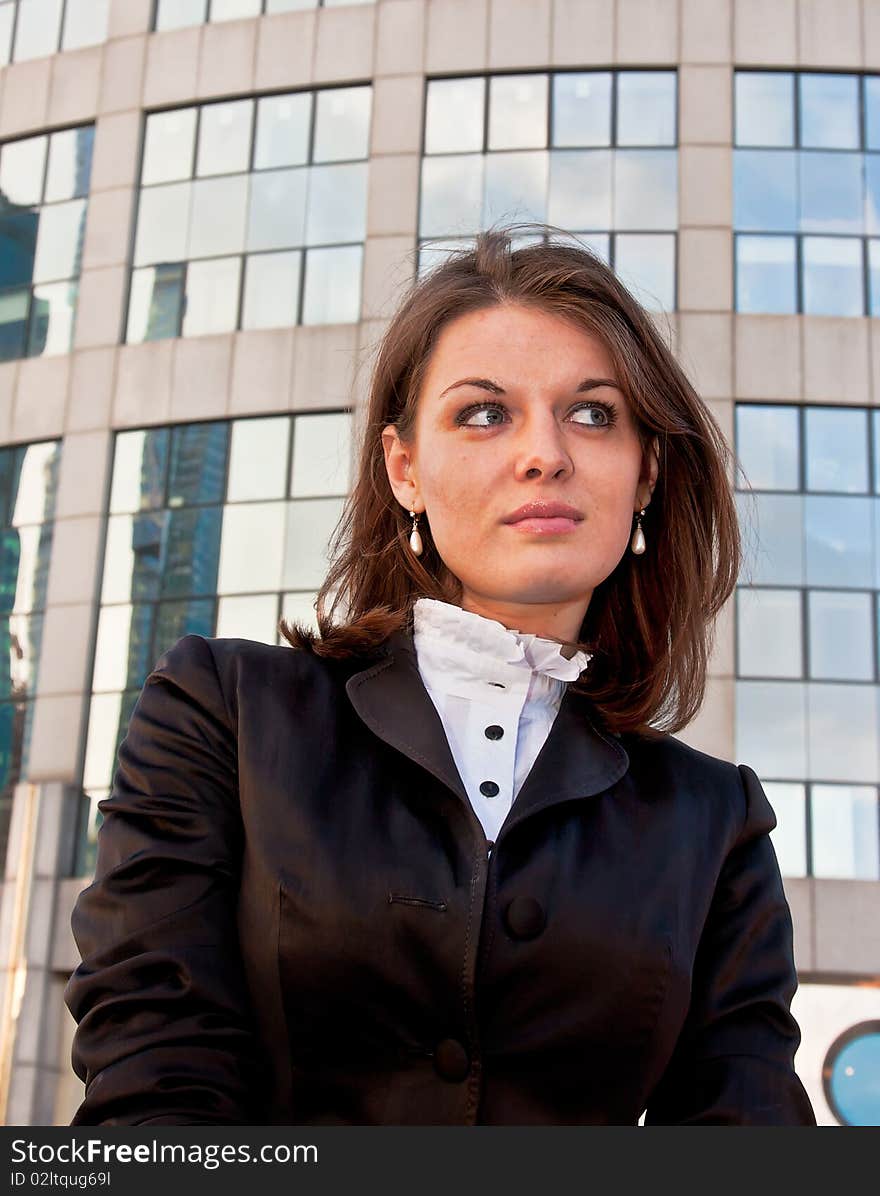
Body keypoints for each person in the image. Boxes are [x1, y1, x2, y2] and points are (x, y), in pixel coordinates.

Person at [64, 224, 817, 1126]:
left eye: (592, 412)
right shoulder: (223, 714)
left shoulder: (716, 821)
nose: (545, 453)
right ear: (404, 468)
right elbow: (151, 1084)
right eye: (485, 413)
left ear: (646, 471)